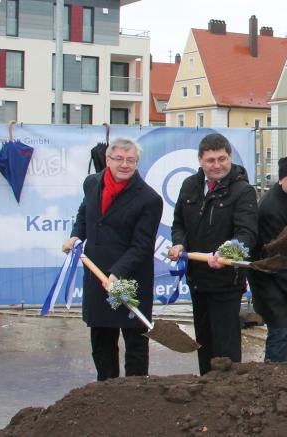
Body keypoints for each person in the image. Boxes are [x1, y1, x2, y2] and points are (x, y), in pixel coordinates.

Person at [63, 138, 162, 381]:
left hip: (131, 279)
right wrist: (76, 236)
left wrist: (117, 273)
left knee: (135, 342)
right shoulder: (92, 183)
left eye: (131, 160)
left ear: (137, 163)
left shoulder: (149, 199)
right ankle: (106, 391)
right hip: (97, 276)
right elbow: (85, 213)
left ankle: (136, 392)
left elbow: (142, 246)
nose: (124, 165)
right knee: (101, 340)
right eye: (119, 159)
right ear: (108, 160)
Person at [168, 133, 258, 374]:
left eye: (222, 159)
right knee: (205, 344)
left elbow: (247, 233)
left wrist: (226, 252)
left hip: (226, 281)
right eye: (210, 160)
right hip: (197, 280)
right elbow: (179, 224)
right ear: (200, 160)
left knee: (226, 347)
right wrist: (178, 244)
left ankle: (229, 394)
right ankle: (206, 390)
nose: (217, 165)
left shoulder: (243, 191)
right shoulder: (190, 186)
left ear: (230, 157)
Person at [250, 154, 287, 363]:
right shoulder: (272, 210)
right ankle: (274, 375)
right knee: (279, 326)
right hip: (268, 275)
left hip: (284, 270)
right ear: (281, 179)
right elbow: (279, 261)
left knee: (286, 325)